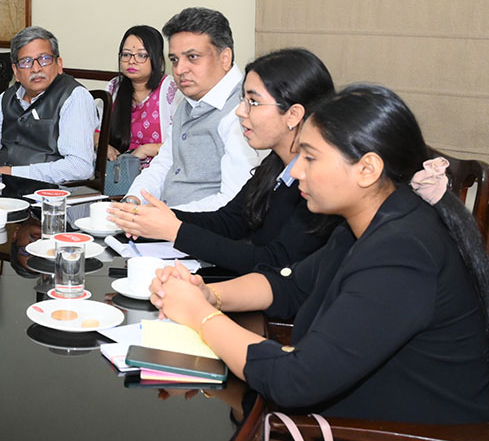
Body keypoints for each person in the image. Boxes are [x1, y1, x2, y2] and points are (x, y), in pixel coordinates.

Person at [150, 85, 489, 441]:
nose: (296, 171)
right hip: (368, 431)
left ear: (367, 169)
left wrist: (200, 316)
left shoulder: (403, 252)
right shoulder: (368, 222)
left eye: (310, 157)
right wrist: (211, 296)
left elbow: (295, 380)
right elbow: (290, 285)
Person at [108, 48, 338, 273]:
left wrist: (175, 230)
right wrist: (161, 218)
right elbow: (229, 221)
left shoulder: (317, 185)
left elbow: (274, 262)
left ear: (293, 114)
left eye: (253, 102)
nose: (240, 111)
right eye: (242, 100)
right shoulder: (275, 164)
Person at [125, 8, 259, 211]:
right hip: (167, 221)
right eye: (174, 60)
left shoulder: (244, 109)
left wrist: (165, 217)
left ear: (225, 58)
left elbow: (233, 202)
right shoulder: (189, 99)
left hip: (203, 226)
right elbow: (164, 164)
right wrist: (133, 201)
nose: (179, 70)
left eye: (192, 57)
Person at [0, 26, 96, 184]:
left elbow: (79, 167)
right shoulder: (6, 98)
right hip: (1, 187)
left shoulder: (75, 97)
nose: (36, 68)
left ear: (59, 64)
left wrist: (13, 173)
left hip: (51, 192)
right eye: (26, 62)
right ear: (16, 71)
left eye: (44, 59)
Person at [104, 25, 177, 168]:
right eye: (126, 54)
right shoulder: (114, 87)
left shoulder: (170, 89)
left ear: (157, 59)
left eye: (141, 55)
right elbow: (96, 130)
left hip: (159, 171)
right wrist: (102, 146)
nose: (132, 61)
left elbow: (184, 143)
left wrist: (149, 149)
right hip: (119, 173)